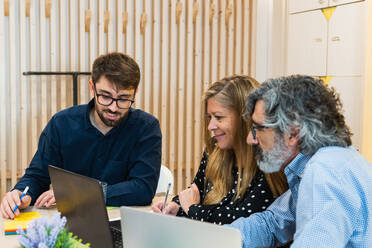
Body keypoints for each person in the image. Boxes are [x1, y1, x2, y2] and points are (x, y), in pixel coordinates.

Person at [1, 52, 162, 219]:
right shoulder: (62, 123)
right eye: (105, 97)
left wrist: (80, 194)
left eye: (123, 99)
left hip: (122, 221)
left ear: (135, 92)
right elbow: (37, 176)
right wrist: (20, 193)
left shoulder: (146, 127)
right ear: (92, 87)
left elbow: (143, 189)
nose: (113, 108)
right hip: (70, 222)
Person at [227, 75, 372, 247]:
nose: (250, 139)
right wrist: (219, 238)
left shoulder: (324, 172)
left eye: (258, 128)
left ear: (293, 134)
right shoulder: (337, 161)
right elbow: (272, 224)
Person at [152, 75, 288, 225]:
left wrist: (192, 209)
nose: (211, 126)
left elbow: (241, 221)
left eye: (219, 117)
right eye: (209, 117)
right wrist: (176, 205)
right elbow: (196, 192)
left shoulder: (270, 161)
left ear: (245, 118)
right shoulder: (214, 148)